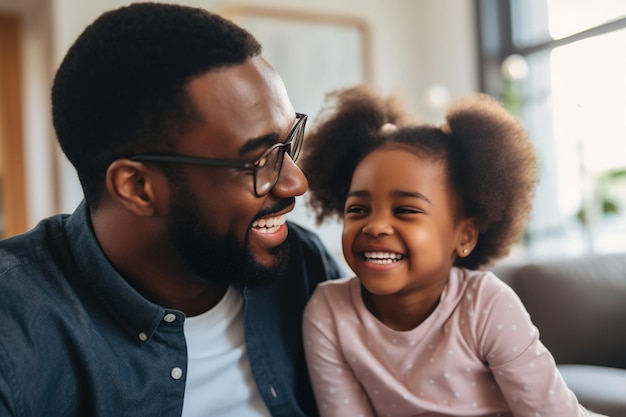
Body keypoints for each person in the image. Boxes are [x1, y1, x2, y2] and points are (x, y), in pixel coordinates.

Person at [0, 3, 344, 417]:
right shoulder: (15, 329)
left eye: (289, 142)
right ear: (138, 188)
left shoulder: (303, 265)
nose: (296, 182)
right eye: (260, 159)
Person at [300, 85, 600, 416]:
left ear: (465, 236)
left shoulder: (485, 305)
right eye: (357, 210)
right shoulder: (328, 312)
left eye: (405, 211)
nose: (375, 226)